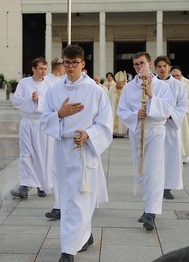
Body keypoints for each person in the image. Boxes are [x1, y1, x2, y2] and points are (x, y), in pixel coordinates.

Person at [41, 45, 113, 262]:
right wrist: (59, 115)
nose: (70, 67)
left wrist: (89, 134)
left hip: (84, 151)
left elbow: (105, 123)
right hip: (63, 151)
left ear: (83, 64)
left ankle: (68, 251)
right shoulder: (54, 90)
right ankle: (85, 236)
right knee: (67, 198)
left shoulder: (95, 91)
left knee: (78, 200)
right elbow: (45, 121)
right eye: (66, 62)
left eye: (74, 63)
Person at [117, 52, 174, 231]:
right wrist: (135, 115)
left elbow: (167, 109)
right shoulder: (129, 87)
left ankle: (152, 213)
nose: (139, 67)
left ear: (149, 64)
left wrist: (151, 96)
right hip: (137, 131)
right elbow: (121, 110)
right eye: (135, 64)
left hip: (155, 130)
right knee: (141, 170)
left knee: (154, 171)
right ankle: (147, 205)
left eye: (142, 63)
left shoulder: (161, 87)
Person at [10, 58, 53, 198]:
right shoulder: (24, 83)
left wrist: (38, 100)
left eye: (45, 69)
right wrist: (30, 99)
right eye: (41, 68)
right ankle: (25, 185)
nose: (43, 72)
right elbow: (16, 101)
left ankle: (42, 185)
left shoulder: (49, 84)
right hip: (27, 122)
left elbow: (52, 104)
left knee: (42, 155)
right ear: (33, 69)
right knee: (25, 153)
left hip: (42, 123)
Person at [154, 57, 187, 201]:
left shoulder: (177, 85)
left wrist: (171, 115)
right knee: (155, 157)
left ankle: (168, 187)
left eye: (165, 66)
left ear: (169, 67)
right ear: (155, 68)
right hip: (154, 125)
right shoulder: (151, 84)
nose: (162, 69)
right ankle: (155, 186)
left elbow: (183, 106)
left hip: (171, 126)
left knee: (171, 156)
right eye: (159, 66)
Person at [44, 57, 65, 220]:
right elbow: (48, 109)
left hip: (77, 135)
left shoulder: (90, 87)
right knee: (57, 169)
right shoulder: (51, 84)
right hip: (56, 130)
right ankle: (58, 205)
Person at [171, 67, 189, 164]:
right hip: (171, 116)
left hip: (183, 116)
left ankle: (184, 157)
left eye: (177, 75)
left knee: (184, 135)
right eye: (173, 76)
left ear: (181, 75)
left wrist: (184, 103)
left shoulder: (187, 84)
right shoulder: (168, 83)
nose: (175, 77)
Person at [107, 70, 128, 138]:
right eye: (117, 83)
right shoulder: (112, 90)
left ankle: (121, 133)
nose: (119, 85)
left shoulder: (126, 90)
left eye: (120, 83)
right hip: (113, 110)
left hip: (122, 110)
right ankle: (113, 132)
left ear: (123, 83)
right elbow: (108, 100)